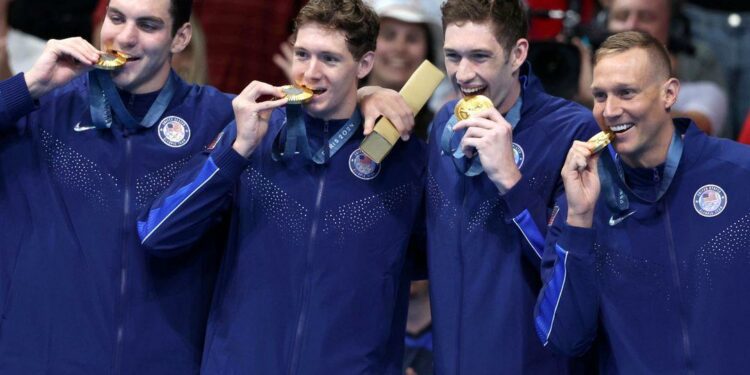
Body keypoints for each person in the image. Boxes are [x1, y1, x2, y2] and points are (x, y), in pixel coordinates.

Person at [137, 0, 425, 373]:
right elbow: (158, 235)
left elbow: (427, 261)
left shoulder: (403, 159)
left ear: (365, 64)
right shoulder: (251, 137)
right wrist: (236, 152)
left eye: (330, 59)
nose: (310, 72)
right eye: (302, 54)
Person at [0, 0, 236, 373]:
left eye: (147, 25)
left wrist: (365, 102)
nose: (125, 38)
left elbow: (330, 129)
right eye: (117, 18)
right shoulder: (42, 108)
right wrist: (28, 85)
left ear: (181, 37)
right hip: (40, 358)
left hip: (163, 362)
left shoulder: (220, 120)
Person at [535, 30, 750, 373]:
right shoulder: (581, 201)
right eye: (600, 95)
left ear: (669, 93)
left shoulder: (739, 175)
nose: (610, 110)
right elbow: (564, 338)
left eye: (626, 93)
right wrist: (578, 221)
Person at [423, 0, 599, 373]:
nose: (463, 74)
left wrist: (509, 179)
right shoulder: (443, 123)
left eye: (480, 56)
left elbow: (569, 272)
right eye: (452, 56)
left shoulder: (572, 131)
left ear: (518, 53)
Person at [578, 0, 728, 135]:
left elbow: (693, 129)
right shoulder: (579, 78)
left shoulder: (703, 92)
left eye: (646, 17)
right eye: (622, 16)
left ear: (672, 26)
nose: (631, 26)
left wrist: (596, 96)